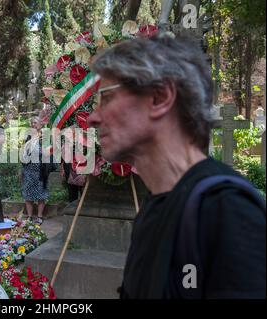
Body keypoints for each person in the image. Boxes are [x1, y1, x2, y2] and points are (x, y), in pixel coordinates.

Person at [87, 33, 266, 299]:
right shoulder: (154, 207)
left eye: (107, 98)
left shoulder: (227, 211)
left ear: (160, 97)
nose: (92, 118)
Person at [21, 117, 51, 225]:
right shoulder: (28, 136)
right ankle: (29, 216)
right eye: (32, 123)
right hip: (28, 169)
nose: (33, 124)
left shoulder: (44, 137)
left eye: (35, 123)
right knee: (28, 194)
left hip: (40, 170)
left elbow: (49, 152)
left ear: (40, 125)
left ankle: (39, 217)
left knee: (41, 194)